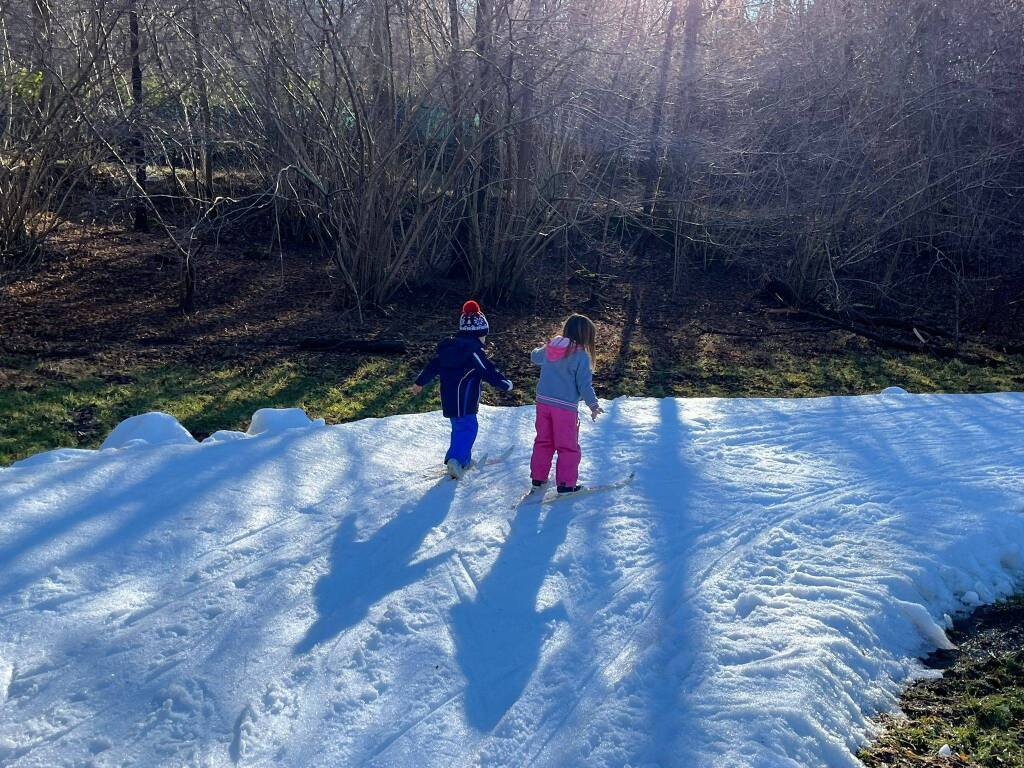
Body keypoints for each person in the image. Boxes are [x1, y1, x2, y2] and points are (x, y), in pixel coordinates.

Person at [411, 300, 514, 479]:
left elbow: (432, 366)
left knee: (459, 427)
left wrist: (420, 381)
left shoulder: (448, 349)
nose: (484, 340)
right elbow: (487, 370)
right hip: (465, 398)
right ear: (479, 334)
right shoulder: (474, 352)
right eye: (484, 336)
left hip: (449, 397)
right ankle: (456, 460)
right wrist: (504, 383)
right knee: (468, 428)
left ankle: (462, 459)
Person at [529, 313, 603, 494]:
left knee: (543, 441)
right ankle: (566, 484)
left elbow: (534, 357)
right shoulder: (581, 356)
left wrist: (545, 346)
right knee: (567, 446)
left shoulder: (552, 348)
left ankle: (538, 479)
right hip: (565, 408)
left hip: (543, 403)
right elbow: (584, 385)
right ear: (586, 337)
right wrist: (593, 405)